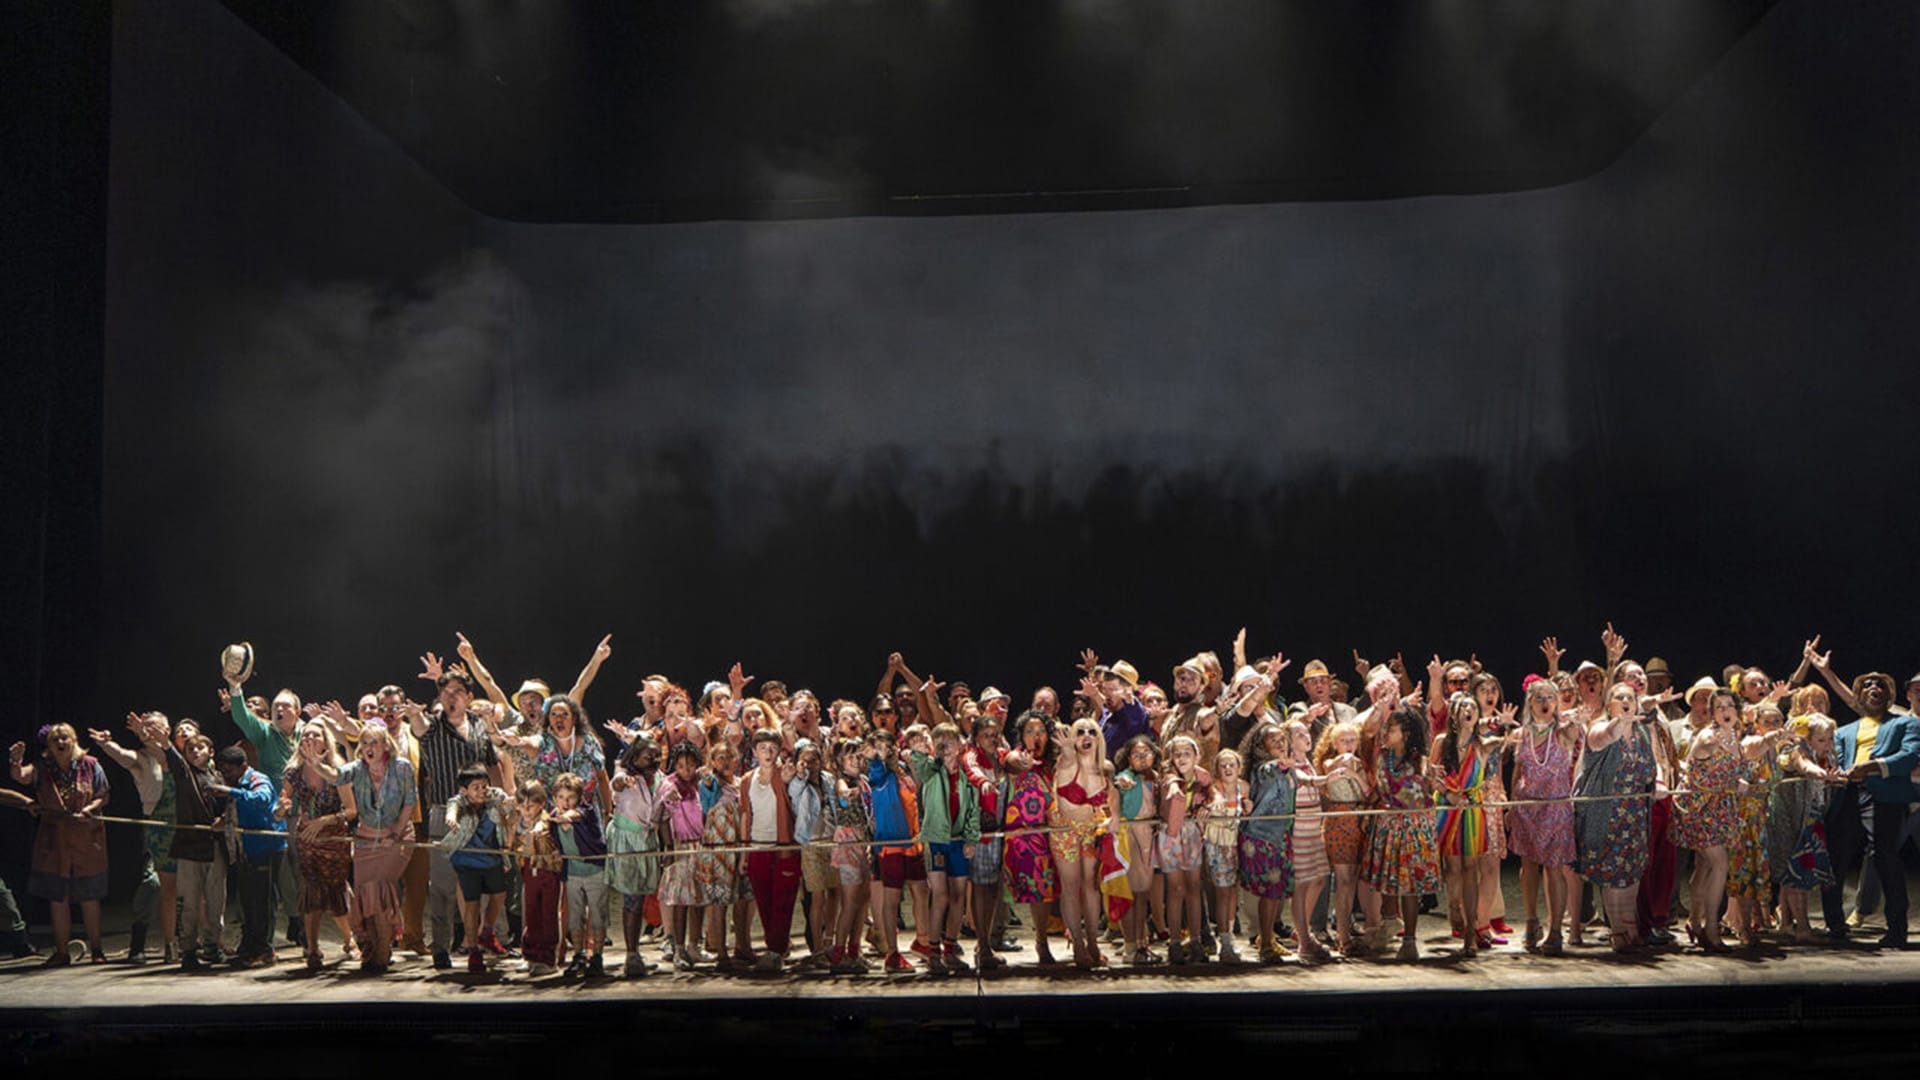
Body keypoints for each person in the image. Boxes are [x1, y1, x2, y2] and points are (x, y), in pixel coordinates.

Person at [9, 724, 110, 965]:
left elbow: (104, 793)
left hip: (87, 838)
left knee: (89, 896)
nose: (60, 743)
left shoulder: (91, 764)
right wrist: (16, 761)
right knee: (58, 896)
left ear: (74, 740)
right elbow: (20, 776)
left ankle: (97, 949)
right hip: (54, 840)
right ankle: (62, 952)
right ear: (50, 747)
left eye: (64, 738)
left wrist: (90, 808)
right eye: (55, 740)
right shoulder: (43, 768)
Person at [1573, 684, 1656, 952]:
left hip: (1634, 811)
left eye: (1629, 698)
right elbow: (1606, 737)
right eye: (1618, 697)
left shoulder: (1643, 732)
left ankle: (1631, 926)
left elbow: (1653, 767)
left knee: (1631, 871)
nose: (1624, 701)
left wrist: (1659, 783)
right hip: (1607, 811)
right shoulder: (1599, 727)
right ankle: (1617, 931)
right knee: (1612, 871)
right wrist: (1619, 723)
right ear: (1609, 704)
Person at [87, 712, 174, 963]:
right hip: (156, 831)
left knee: (187, 886)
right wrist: (106, 744)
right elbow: (121, 755)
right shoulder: (141, 759)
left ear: (167, 729)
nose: (149, 731)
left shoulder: (178, 755)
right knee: (153, 883)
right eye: (145, 727)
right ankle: (138, 942)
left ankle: (187, 943)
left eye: (155, 727)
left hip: (184, 827)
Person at [334, 719, 417, 973]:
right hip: (366, 839)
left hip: (397, 837)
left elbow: (410, 802)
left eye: (375, 742)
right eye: (365, 742)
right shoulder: (357, 769)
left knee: (378, 890)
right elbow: (335, 776)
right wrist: (317, 763)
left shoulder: (401, 767)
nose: (369, 747)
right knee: (364, 894)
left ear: (385, 745)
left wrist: (395, 830)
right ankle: (372, 951)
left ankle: (381, 954)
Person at [1506, 677, 1581, 955]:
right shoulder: (1522, 734)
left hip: (1556, 807)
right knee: (1528, 867)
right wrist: (1512, 804)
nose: (1546, 702)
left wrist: (1575, 720)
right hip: (1527, 808)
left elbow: (1574, 734)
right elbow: (1517, 770)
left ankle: (1556, 930)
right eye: (1540, 698)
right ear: (1530, 703)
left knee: (1554, 868)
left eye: (1551, 697)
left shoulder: (1563, 732)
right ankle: (1531, 921)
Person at [1432, 692, 1510, 955]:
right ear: (1454, 714)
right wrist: (1448, 793)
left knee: (1470, 869)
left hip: (1472, 810)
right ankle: (1455, 911)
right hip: (1448, 808)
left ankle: (1470, 934)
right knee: (1452, 866)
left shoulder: (1482, 744)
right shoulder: (1442, 742)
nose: (1469, 710)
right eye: (1463, 707)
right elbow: (1430, 775)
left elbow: (1507, 741)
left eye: (1472, 707)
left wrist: (1507, 724)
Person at [1363, 705, 1440, 961]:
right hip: (1388, 826)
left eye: (1392, 728)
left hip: (1413, 829)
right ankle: (1388, 923)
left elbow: (1427, 792)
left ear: (1406, 733)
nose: (1386, 733)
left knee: (1409, 885)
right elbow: (1381, 788)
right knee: (1389, 881)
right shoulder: (1383, 757)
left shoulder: (1420, 761)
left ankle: (1410, 940)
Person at [276, 720, 355, 971]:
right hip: (307, 837)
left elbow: (351, 811)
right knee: (311, 889)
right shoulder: (294, 772)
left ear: (325, 741)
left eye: (315, 735)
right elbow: (282, 801)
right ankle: (312, 947)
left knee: (335, 888)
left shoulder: (337, 770)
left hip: (333, 837)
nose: (309, 738)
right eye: (306, 735)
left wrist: (323, 821)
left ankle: (349, 939)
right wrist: (281, 809)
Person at [1675, 689, 1741, 952]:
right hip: (1699, 810)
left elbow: (1723, 771)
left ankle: (1694, 921)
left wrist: (1738, 781)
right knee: (1719, 864)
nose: (1725, 711)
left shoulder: (1734, 736)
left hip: (1719, 808)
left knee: (1703, 866)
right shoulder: (1709, 736)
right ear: (1712, 713)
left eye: (1730, 706)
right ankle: (1711, 930)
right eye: (1720, 707)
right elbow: (1697, 758)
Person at [911, 720, 979, 974]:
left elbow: (973, 811)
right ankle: (933, 950)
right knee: (940, 895)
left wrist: (972, 839)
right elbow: (919, 762)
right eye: (940, 743)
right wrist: (919, 750)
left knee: (959, 894)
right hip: (937, 840)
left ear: (960, 745)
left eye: (950, 741)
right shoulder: (931, 770)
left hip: (958, 840)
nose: (946, 746)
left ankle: (951, 948)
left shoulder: (966, 778)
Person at [209, 745, 287, 967]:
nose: (226, 776)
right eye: (223, 771)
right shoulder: (235, 782)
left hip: (266, 849)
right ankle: (249, 946)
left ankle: (265, 949)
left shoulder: (257, 779)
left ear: (243, 766)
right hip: (245, 850)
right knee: (248, 902)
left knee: (263, 902)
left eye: (229, 771)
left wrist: (230, 792)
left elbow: (260, 799)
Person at [164, 728, 229, 969]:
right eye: (190, 749)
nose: (194, 751)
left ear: (210, 752)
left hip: (215, 848)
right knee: (189, 902)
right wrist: (163, 740)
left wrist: (223, 820)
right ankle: (188, 950)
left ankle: (212, 946)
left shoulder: (220, 777)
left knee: (216, 901)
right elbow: (172, 757)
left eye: (200, 748)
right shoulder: (183, 773)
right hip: (189, 847)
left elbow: (229, 805)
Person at [1775, 714, 1843, 943]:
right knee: (1797, 872)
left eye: (1830, 739)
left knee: (1795, 872)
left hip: (1810, 819)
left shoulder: (1826, 756)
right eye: (1822, 740)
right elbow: (1805, 767)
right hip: (1793, 819)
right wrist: (1823, 774)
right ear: (1809, 739)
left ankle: (1786, 924)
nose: (1828, 744)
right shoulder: (1795, 751)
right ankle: (1802, 928)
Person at [1052, 717, 1114, 969]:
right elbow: (1066, 756)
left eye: (1092, 731)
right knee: (1070, 885)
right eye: (1080, 732)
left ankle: (1092, 941)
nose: (1086, 736)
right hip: (1064, 830)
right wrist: (1067, 748)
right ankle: (1077, 943)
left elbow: (1111, 802)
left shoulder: (1104, 769)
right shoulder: (1067, 763)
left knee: (1090, 884)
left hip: (1090, 830)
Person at [441, 763, 514, 974]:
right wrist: (451, 819)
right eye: (476, 787)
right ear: (465, 790)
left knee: (499, 895)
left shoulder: (494, 797)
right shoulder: (458, 801)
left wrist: (510, 804)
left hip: (491, 859)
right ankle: (473, 949)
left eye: (484, 785)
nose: (483, 790)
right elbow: (452, 810)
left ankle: (487, 932)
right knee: (471, 904)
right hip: (467, 861)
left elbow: (508, 804)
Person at [740, 728, 802, 973]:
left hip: (783, 847)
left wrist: (789, 780)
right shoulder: (747, 780)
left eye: (772, 748)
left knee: (783, 901)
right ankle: (774, 947)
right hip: (757, 846)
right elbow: (746, 814)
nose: (767, 752)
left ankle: (775, 950)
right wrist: (744, 852)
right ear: (754, 751)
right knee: (764, 902)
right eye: (762, 747)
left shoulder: (783, 775)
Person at [1002, 710, 1060, 964]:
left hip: (1054, 833)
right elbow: (1012, 761)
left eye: (1041, 731)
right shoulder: (1018, 756)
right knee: (1031, 889)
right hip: (1024, 836)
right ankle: (986, 943)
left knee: (1046, 891)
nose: (1035, 736)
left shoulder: (1054, 763)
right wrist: (1021, 762)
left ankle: (1042, 941)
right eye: (1029, 731)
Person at [1238, 720, 1296, 964]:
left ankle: (1268, 938)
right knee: (1268, 891)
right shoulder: (1265, 769)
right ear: (1262, 746)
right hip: (1262, 836)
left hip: (1281, 834)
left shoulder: (1288, 768)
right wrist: (1282, 763)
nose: (1280, 743)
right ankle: (1265, 942)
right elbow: (1274, 768)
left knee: (1276, 892)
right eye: (1273, 740)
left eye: (1282, 738)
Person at [1313, 720, 1373, 956]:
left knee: (1352, 881)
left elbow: (1367, 791)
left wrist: (1355, 774)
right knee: (1343, 880)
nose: (1349, 745)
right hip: (1340, 821)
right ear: (1334, 743)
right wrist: (1346, 765)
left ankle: (1345, 930)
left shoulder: (1360, 763)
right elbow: (1333, 768)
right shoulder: (1330, 761)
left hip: (1359, 820)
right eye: (1343, 740)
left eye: (1352, 740)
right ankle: (1342, 936)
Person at [608, 733, 665, 976]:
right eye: (647, 756)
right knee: (631, 898)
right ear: (635, 758)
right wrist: (623, 780)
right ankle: (631, 955)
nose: (653, 759)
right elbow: (617, 783)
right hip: (627, 842)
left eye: (657, 755)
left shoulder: (660, 778)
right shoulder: (626, 774)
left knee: (641, 897)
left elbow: (662, 814)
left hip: (647, 841)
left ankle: (636, 954)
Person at [551, 771, 610, 976]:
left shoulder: (587, 811)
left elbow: (576, 815)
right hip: (573, 873)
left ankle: (598, 956)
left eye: (571, 797)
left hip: (594, 870)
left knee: (597, 915)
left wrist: (565, 816)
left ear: (579, 797)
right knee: (575, 917)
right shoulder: (552, 817)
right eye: (561, 798)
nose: (566, 802)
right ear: (554, 798)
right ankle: (579, 955)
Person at [1111, 734, 1162, 965]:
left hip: (1148, 837)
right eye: (1136, 755)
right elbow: (1118, 784)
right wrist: (1120, 784)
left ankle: (1142, 943)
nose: (1142, 759)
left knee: (1143, 894)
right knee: (1129, 893)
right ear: (1129, 759)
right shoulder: (1126, 778)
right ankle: (1130, 945)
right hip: (1130, 835)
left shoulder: (1157, 779)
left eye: (1146, 754)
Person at [510, 778, 564, 976]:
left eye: (531, 806)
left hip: (547, 871)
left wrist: (537, 831)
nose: (526, 810)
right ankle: (530, 954)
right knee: (530, 913)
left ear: (541, 804)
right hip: (528, 871)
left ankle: (548, 958)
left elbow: (544, 832)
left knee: (547, 914)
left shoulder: (545, 820)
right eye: (522, 806)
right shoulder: (517, 820)